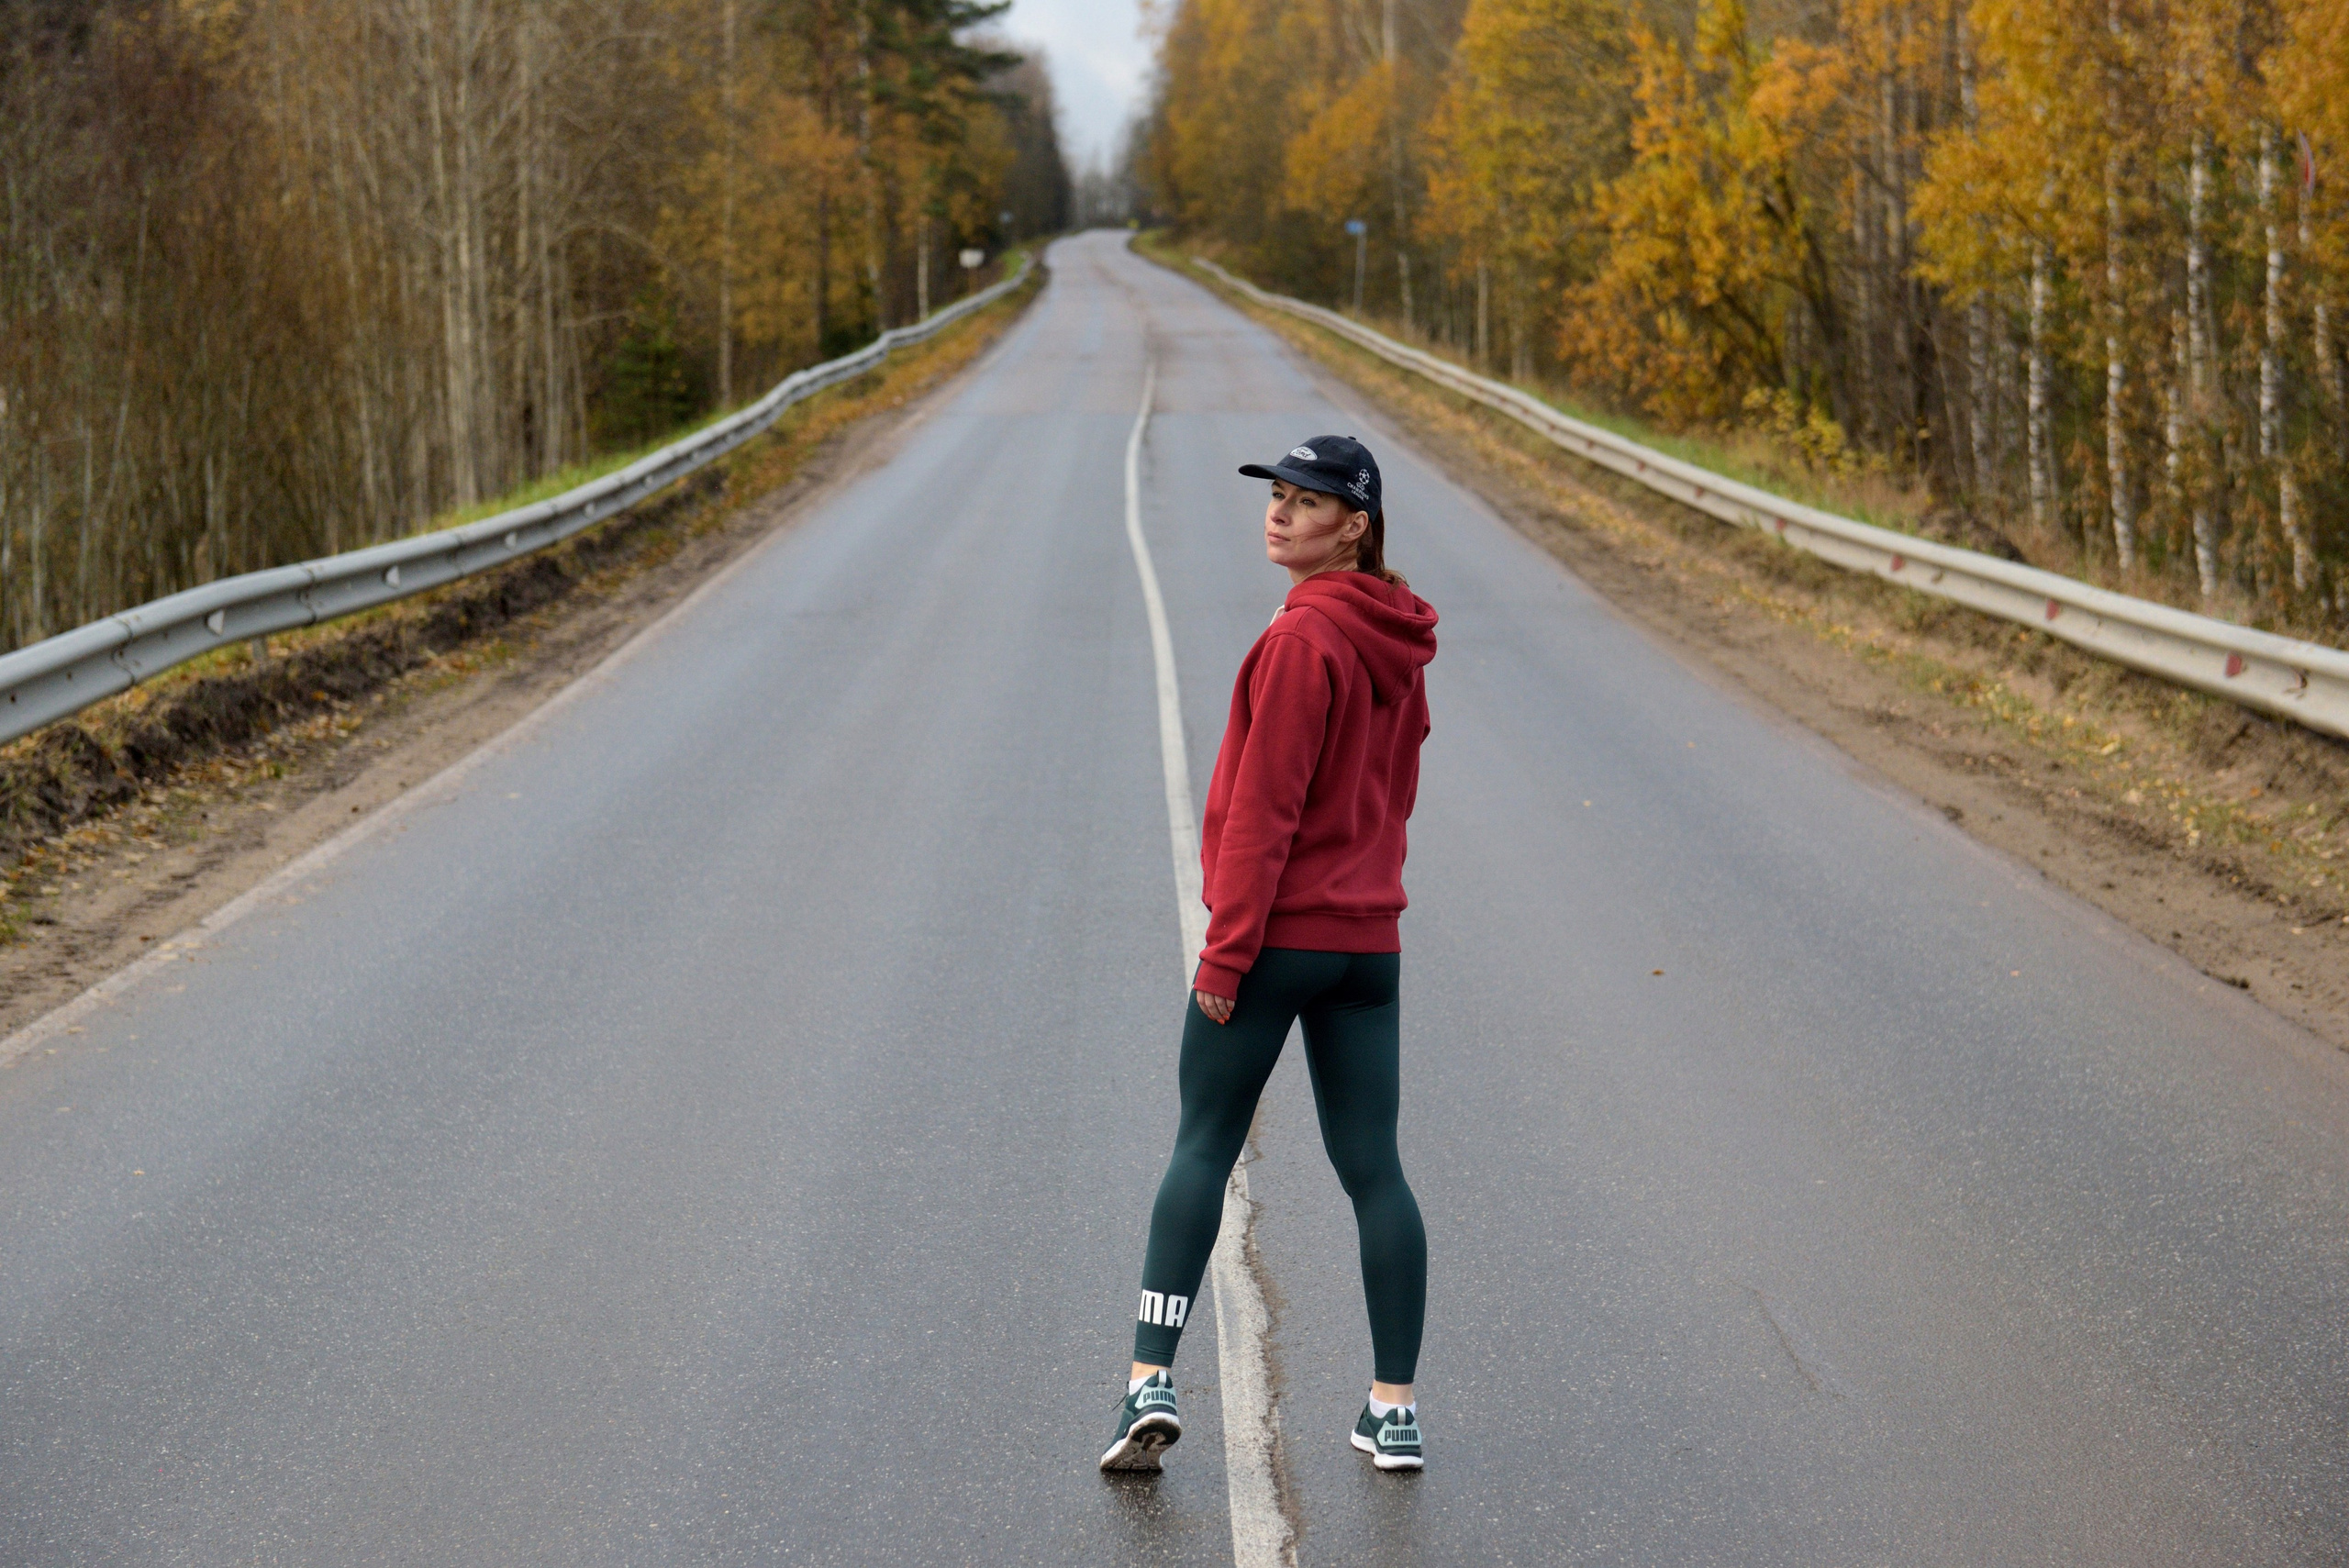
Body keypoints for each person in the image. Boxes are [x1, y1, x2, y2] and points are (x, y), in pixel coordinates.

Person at [1100, 434, 1438, 1475]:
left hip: (1280, 937)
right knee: (1372, 1164)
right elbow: (1394, 791)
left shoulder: (1302, 641)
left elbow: (1263, 812)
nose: (1282, 513)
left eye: (1310, 500)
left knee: (1202, 1142)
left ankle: (1147, 1382)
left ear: (1357, 524)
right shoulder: (1398, 636)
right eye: (1279, 496)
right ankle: (1393, 1408)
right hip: (1365, 947)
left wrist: (1225, 951)